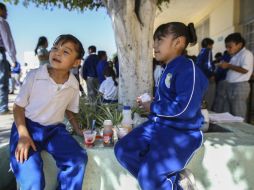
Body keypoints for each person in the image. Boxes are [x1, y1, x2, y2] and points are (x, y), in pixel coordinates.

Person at [114, 22, 208, 190]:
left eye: (159, 40)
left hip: (181, 133)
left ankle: (164, 181)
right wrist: (151, 103)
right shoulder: (166, 69)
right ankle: (175, 181)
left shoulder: (188, 69)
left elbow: (186, 109)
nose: (154, 45)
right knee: (123, 150)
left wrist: (154, 107)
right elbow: (168, 101)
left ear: (178, 42)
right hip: (157, 126)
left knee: (149, 176)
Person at [9, 34, 87, 190]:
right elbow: (18, 107)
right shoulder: (34, 76)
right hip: (27, 127)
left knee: (77, 159)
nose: (57, 53)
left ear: (76, 62)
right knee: (32, 178)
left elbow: (68, 109)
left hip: (54, 130)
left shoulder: (73, 83)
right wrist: (23, 135)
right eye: (55, 47)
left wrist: (77, 127)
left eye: (66, 51)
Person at [218, 32, 253, 120]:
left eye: (230, 46)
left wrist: (228, 65)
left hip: (239, 87)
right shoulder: (235, 55)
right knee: (229, 114)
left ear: (239, 45)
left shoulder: (246, 54)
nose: (228, 49)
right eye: (226, 47)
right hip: (230, 86)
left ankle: (241, 133)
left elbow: (245, 70)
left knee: (238, 114)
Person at [0, 3, 17, 114]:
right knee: (3, 82)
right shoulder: (2, 22)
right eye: (5, 10)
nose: (7, 13)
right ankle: (3, 107)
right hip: (1, 52)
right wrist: (13, 58)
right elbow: (7, 40)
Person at [196, 38, 216, 110]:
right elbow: (209, 64)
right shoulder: (208, 51)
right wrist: (212, 74)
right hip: (207, 78)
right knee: (208, 100)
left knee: (202, 100)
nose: (212, 47)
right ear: (209, 45)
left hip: (201, 79)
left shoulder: (201, 52)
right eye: (212, 45)